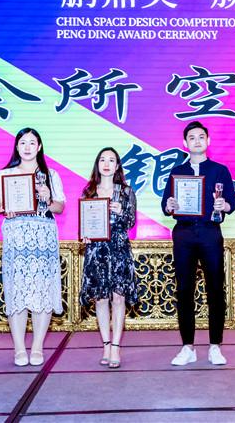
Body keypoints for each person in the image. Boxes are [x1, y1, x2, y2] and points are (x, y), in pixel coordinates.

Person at [161, 121, 235, 366]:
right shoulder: (177, 171)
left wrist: (223, 205)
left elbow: (232, 203)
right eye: (192, 137)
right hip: (183, 234)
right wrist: (170, 205)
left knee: (215, 289)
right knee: (184, 290)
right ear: (185, 143)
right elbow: (166, 204)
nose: (197, 141)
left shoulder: (220, 170)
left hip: (209, 233)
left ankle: (215, 346)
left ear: (208, 141)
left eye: (201, 136)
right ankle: (188, 347)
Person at [0, 128, 64, 367]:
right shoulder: (6, 174)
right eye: (23, 142)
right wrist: (5, 207)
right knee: (17, 291)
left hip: (43, 238)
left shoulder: (50, 175)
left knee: (42, 291)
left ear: (39, 147)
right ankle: (19, 348)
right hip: (16, 238)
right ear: (17, 146)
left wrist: (48, 198)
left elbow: (59, 207)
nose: (28, 147)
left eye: (32, 142)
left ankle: (38, 347)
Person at [79, 147, 138, 369]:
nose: (106, 164)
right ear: (97, 164)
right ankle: (105, 345)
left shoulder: (126, 192)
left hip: (119, 249)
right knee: (101, 299)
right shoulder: (89, 191)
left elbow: (131, 222)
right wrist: (85, 235)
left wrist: (121, 210)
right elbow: (85, 221)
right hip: (96, 250)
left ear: (117, 166)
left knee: (118, 298)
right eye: (102, 160)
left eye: (111, 160)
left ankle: (116, 347)